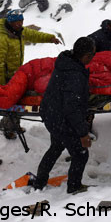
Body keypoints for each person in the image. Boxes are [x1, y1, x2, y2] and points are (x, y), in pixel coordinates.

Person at [33, 37, 96, 194]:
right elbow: (71, 107)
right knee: (81, 153)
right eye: (92, 55)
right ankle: (74, 187)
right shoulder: (75, 74)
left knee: (56, 146)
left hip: (51, 113)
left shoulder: (66, 63)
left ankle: (40, 181)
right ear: (87, 56)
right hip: (60, 117)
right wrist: (83, 133)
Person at [0, 10, 60, 139]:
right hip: (6, 76)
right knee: (11, 102)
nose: (20, 24)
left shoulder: (20, 32)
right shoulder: (0, 39)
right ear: (10, 22)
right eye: (17, 22)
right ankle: (5, 127)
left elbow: (34, 35)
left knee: (18, 101)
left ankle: (13, 125)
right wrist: (1, 86)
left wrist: (51, 38)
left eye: (21, 21)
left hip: (18, 74)